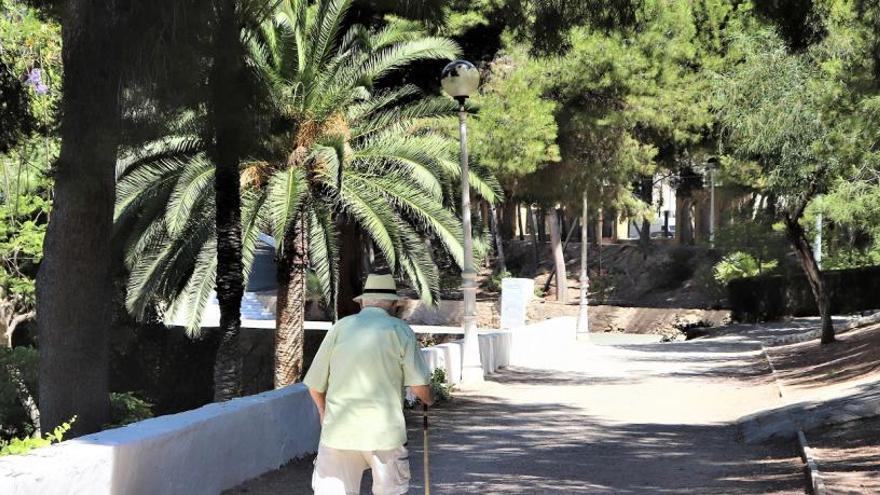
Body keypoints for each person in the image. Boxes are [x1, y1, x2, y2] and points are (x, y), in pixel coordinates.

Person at [304, 273, 434, 495]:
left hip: (339, 431)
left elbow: (315, 384)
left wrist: (324, 413)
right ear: (394, 305)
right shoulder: (400, 331)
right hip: (384, 434)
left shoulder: (340, 328)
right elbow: (419, 387)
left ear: (363, 301)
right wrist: (429, 399)